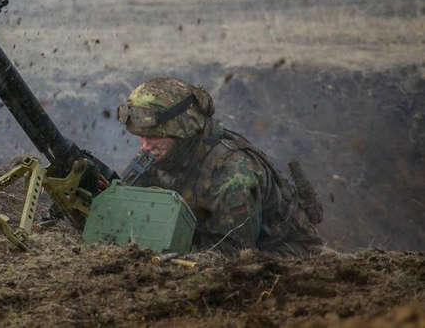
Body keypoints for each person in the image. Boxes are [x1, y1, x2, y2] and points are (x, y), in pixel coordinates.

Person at [116, 77, 324, 256]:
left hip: (281, 256)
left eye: (153, 136)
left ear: (183, 132)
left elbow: (232, 254)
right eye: (140, 136)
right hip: (204, 241)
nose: (144, 145)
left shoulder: (234, 174)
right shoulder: (162, 152)